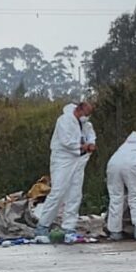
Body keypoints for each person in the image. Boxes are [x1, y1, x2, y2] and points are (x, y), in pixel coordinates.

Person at [35, 101, 95, 244]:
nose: (86, 118)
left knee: (75, 193)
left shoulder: (85, 124)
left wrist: (91, 144)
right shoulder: (64, 120)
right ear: (79, 110)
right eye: (85, 114)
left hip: (79, 159)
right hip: (63, 159)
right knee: (58, 191)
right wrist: (82, 146)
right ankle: (43, 225)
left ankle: (69, 226)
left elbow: (91, 135)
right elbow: (66, 141)